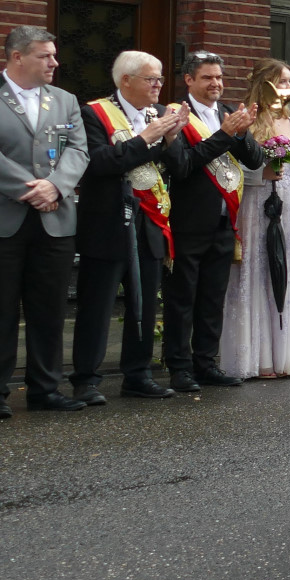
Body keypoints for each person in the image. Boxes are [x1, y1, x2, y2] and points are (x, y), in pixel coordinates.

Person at [0, 26, 89, 417]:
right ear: (17, 57)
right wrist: (32, 189)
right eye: (45, 56)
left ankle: (45, 389)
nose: (54, 63)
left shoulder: (65, 100)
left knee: (49, 309)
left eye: (54, 55)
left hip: (54, 218)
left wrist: (56, 187)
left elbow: (79, 150)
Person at [71, 50, 188, 404]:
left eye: (160, 78)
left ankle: (138, 375)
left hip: (150, 222)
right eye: (151, 79)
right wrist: (146, 138)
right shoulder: (94, 113)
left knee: (144, 304)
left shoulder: (160, 115)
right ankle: (86, 379)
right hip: (106, 222)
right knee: (97, 306)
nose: (158, 85)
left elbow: (179, 168)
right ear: (125, 81)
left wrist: (171, 138)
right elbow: (99, 163)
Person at [161, 51, 263, 391]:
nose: (215, 83)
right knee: (182, 300)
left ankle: (206, 363)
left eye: (219, 77)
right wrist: (223, 135)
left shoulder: (228, 112)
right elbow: (182, 166)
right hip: (188, 222)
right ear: (189, 80)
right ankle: (179, 367)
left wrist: (241, 133)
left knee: (212, 299)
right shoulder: (176, 115)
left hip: (224, 221)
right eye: (207, 77)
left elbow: (255, 160)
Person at [220, 59, 290, 380]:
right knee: (256, 269)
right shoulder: (246, 118)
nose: (289, 88)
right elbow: (231, 164)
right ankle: (257, 358)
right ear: (266, 84)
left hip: (286, 200)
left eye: (289, 81)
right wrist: (261, 173)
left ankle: (285, 355)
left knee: (284, 266)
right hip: (255, 199)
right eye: (282, 81)